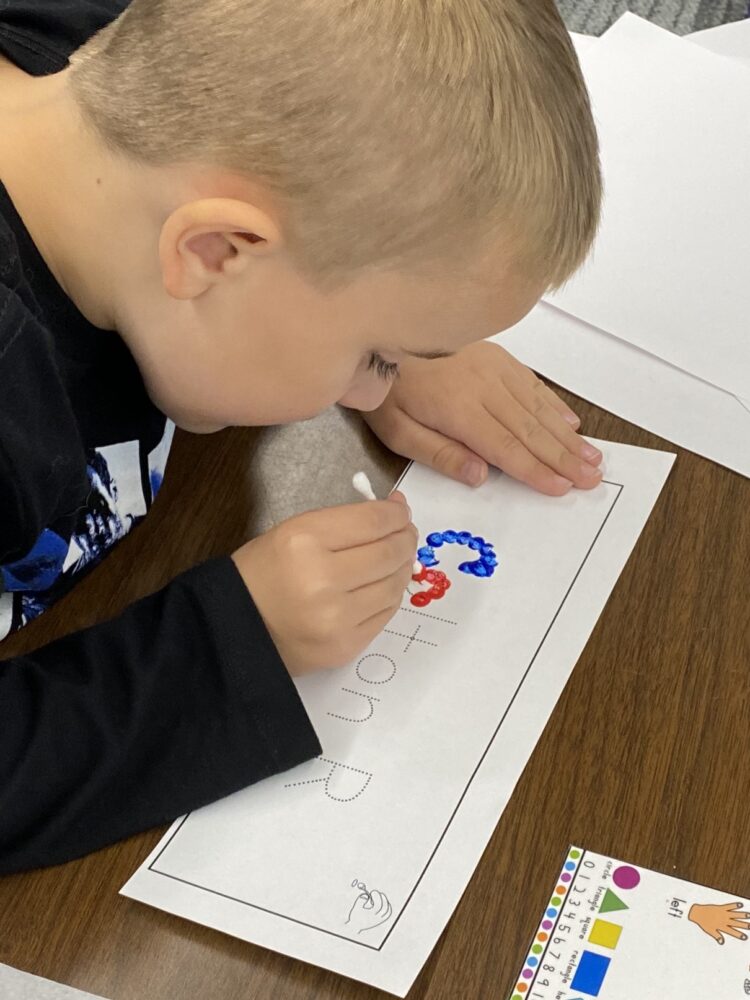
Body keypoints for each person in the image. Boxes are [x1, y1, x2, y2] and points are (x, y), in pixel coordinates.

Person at [0, 0, 602, 874]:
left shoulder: (134, 74)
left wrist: (397, 342)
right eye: (377, 354)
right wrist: (226, 648)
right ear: (214, 252)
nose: (379, 382)